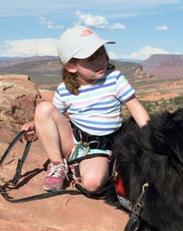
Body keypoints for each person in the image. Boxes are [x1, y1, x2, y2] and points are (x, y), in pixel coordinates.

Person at [21, 26, 150, 192]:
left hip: (101, 146)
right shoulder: (65, 89)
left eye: (101, 54)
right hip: (73, 141)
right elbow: (55, 114)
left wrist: (151, 133)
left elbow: (135, 107)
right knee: (44, 108)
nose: (100, 61)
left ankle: (83, 168)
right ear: (71, 66)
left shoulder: (114, 79)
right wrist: (35, 123)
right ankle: (57, 165)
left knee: (92, 184)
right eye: (91, 59)